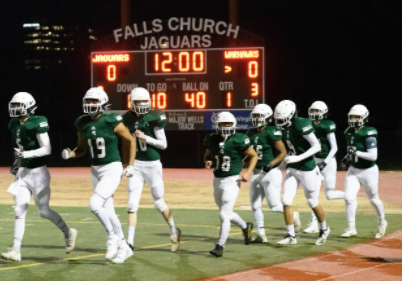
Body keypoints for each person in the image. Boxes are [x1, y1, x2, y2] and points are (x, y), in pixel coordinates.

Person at [62, 87, 136, 263]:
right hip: (96, 170)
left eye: (94, 101)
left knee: (94, 204)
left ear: (102, 103)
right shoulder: (81, 122)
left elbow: (131, 140)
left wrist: (130, 165)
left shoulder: (111, 120)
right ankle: (125, 248)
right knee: (108, 210)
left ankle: (112, 237)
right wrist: (70, 154)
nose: (90, 104)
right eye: (88, 101)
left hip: (112, 168)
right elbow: (81, 149)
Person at [2, 92, 77, 262]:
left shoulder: (37, 121)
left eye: (18, 105)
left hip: (38, 173)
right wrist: (17, 164)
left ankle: (68, 232)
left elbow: (47, 149)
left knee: (43, 211)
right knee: (19, 210)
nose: (15, 109)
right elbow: (17, 149)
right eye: (13, 105)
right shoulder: (14, 123)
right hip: (23, 173)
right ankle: (15, 250)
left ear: (29, 106)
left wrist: (25, 154)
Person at [121, 87, 181, 255]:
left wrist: (145, 137)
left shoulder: (155, 116)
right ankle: (130, 243)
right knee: (132, 204)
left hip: (153, 165)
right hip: (137, 165)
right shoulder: (126, 118)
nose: (141, 105)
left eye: (144, 101)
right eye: (138, 102)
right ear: (132, 103)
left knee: (159, 202)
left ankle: (174, 230)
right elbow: (125, 143)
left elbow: (164, 144)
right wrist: (126, 165)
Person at [274, 100, 330, 246]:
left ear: (291, 115)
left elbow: (316, 146)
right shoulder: (285, 128)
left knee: (312, 201)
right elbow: (292, 147)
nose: (279, 122)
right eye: (278, 119)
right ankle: (291, 235)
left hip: (307, 168)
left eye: (282, 119)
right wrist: (283, 162)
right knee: (286, 200)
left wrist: (298, 157)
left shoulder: (300, 123)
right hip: (293, 168)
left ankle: (324, 229)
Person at [204, 111, 257, 257]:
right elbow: (208, 152)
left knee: (224, 214)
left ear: (234, 125)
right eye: (223, 124)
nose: (226, 127)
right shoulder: (212, 139)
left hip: (232, 180)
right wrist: (207, 159)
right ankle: (246, 227)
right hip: (217, 179)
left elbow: (253, 155)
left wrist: (248, 172)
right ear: (217, 126)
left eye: (229, 124)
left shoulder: (239, 139)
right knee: (226, 213)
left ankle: (220, 246)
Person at [246, 104, 300, 243]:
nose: (256, 119)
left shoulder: (271, 131)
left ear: (267, 118)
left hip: (270, 173)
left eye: (259, 116)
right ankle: (261, 234)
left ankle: (293, 216)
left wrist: (270, 164)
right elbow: (248, 152)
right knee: (255, 205)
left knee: (274, 206)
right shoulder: (250, 132)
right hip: (256, 172)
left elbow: (283, 153)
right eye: (255, 115)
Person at [340, 104, 387, 238]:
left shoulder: (369, 132)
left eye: (357, 116)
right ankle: (351, 228)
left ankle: (382, 222)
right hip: (354, 169)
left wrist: (357, 152)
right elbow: (351, 150)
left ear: (364, 118)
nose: (354, 119)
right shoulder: (349, 131)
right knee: (348, 198)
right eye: (352, 116)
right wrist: (346, 157)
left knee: (373, 199)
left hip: (368, 170)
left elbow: (373, 156)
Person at [303, 101, 345, 233]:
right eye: (313, 110)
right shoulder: (307, 124)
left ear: (323, 113)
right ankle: (314, 224)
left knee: (329, 194)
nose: (314, 113)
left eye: (317, 111)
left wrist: (325, 162)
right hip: (314, 160)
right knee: (312, 193)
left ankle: (349, 195)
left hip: (328, 161)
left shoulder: (327, 125)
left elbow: (334, 148)